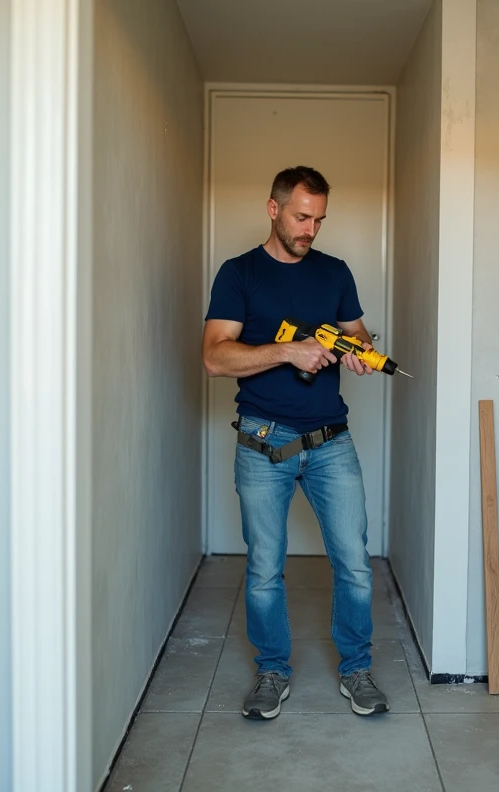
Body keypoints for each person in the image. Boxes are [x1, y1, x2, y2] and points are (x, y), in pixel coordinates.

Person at [201, 166, 389, 720]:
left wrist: (361, 349)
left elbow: (358, 332)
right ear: (274, 208)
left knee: (354, 562)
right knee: (264, 567)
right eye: (302, 216)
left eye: (319, 219)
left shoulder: (335, 272)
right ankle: (272, 671)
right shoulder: (239, 274)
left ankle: (356, 668)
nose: (311, 229)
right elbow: (215, 357)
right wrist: (288, 351)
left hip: (332, 441)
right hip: (263, 442)